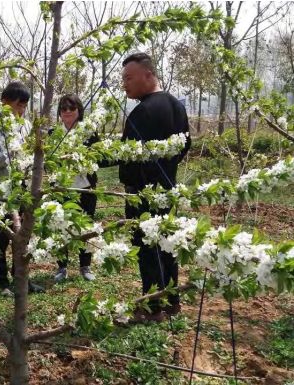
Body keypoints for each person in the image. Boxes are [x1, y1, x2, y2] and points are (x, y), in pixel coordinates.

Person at [119, 53, 191, 322]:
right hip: (168, 188)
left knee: (148, 249)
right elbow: (185, 145)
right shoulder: (177, 106)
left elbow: (126, 153)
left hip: (142, 194)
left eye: (128, 78)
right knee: (167, 246)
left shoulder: (143, 111)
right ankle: (172, 302)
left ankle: (151, 309)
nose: (124, 84)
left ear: (148, 75)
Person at [0, 81, 44, 296]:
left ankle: (22, 279)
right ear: (4, 102)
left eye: (24, 106)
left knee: (24, 236)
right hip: (1, 191)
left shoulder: (26, 125)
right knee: (0, 236)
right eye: (18, 105)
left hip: (24, 190)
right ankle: (0, 282)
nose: (20, 110)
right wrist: (13, 152)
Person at [51, 94, 97, 283]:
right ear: (60, 113)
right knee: (60, 226)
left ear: (79, 110)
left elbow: (99, 158)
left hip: (85, 187)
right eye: (63, 109)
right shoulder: (54, 133)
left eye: (71, 108)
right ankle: (62, 267)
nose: (67, 112)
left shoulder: (89, 132)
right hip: (62, 188)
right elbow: (48, 162)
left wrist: (82, 159)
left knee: (85, 227)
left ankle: (85, 266)